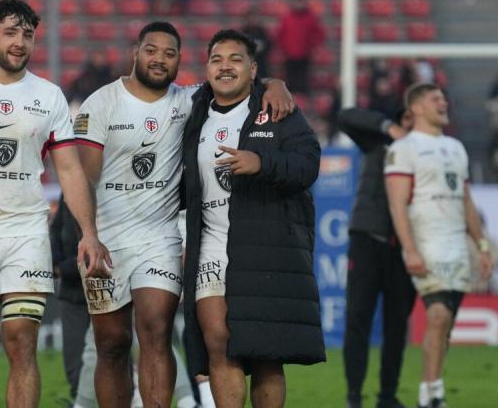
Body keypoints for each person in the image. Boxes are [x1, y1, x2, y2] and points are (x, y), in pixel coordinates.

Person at [75, 22, 293, 408]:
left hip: (160, 237)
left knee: (156, 330)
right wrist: (88, 234)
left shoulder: (189, 100)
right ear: (135, 53)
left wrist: (275, 84)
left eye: (170, 53)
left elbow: (237, 80)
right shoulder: (102, 102)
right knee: (111, 344)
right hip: (106, 237)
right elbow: (83, 178)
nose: (159, 59)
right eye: (152, 50)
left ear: (179, 61)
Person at [0, 0, 110, 408]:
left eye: (28, 34)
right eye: (10, 32)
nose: (20, 42)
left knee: (22, 342)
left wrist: (88, 233)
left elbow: (69, 170)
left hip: (26, 230)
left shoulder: (48, 96)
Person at [182, 29, 324, 407]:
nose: (225, 66)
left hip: (265, 246)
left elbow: (308, 164)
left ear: (252, 68)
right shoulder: (194, 110)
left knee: (265, 354)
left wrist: (262, 163)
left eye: (235, 59)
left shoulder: (277, 110)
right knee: (217, 340)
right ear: (207, 68)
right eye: (217, 59)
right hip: (211, 242)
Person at [384, 83, 493, 408]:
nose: (443, 103)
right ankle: (430, 395)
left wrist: (482, 245)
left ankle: (432, 390)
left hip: (456, 244)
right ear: (416, 108)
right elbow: (397, 204)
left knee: (445, 323)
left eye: (444, 98)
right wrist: (410, 248)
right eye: (435, 99)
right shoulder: (404, 148)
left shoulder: (456, 148)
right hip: (427, 242)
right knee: (438, 314)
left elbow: (467, 201)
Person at [338, 107, 416, 408]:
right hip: (367, 239)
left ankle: (387, 397)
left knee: (397, 326)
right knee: (357, 319)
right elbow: (345, 117)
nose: (410, 125)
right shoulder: (378, 142)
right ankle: (354, 397)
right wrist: (386, 125)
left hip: (404, 245)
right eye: (406, 119)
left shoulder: (429, 151)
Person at [50, 195, 90, 404]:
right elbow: (55, 230)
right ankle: (80, 401)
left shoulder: (109, 182)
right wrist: (56, 262)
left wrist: (62, 268)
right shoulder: (68, 191)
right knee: (74, 363)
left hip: (105, 288)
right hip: (72, 293)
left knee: (113, 351)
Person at [275, 0, 325, 94]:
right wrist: (284, 48)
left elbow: (319, 34)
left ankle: (303, 100)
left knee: (303, 80)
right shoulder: (287, 17)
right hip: (289, 54)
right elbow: (280, 34)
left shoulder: (311, 17)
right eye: (297, 2)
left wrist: (312, 46)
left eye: (301, 2)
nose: (299, 4)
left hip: (305, 54)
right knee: (290, 80)